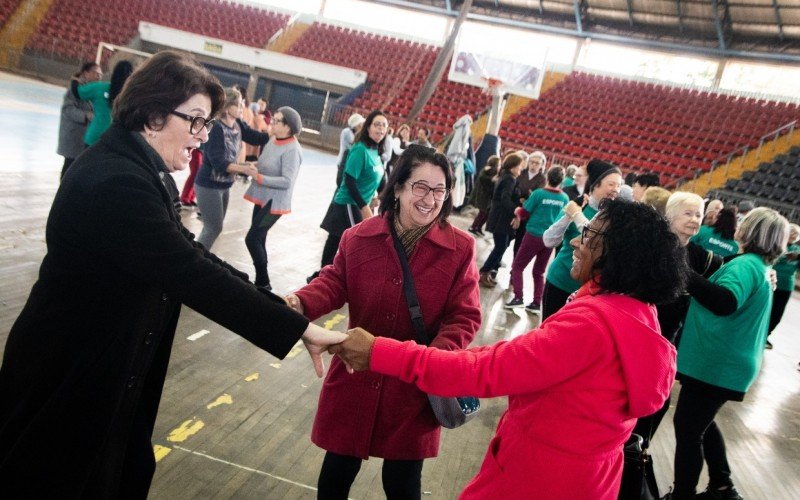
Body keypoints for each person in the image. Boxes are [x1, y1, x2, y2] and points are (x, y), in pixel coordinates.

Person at [0, 50, 345, 498]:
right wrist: (295, 327)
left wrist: (280, 309)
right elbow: (189, 272)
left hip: (106, 383)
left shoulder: (143, 171)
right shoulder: (115, 183)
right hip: (66, 385)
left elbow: (190, 254)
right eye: (196, 121)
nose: (202, 136)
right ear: (154, 114)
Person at [332, 199, 686, 499]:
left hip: (537, 478)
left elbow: (484, 371)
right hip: (590, 478)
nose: (577, 242)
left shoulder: (592, 326)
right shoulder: (640, 314)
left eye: (590, 235)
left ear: (619, 254)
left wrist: (379, 351)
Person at [286, 144, 481, 499]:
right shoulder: (358, 237)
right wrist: (300, 301)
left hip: (413, 388)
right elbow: (334, 282)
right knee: (336, 474)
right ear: (400, 187)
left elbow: (464, 316)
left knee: (403, 484)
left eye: (440, 190)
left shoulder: (460, 248)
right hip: (357, 376)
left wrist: (432, 360)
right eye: (420, 187)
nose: (430, 198)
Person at [671, 207, 789, 500]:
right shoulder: (754, 265)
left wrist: (682, 270)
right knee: (701, 424)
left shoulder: (746, 266)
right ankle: (722, 485)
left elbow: (724, 301)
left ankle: (683, 494)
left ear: (752, 231)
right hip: (725, 362)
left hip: (717, 363)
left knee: (688, 431)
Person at [309, 110, 389, 282]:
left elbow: (381, 181)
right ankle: (338, 279)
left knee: (335, 239)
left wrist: (378, 197)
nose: (380, 128)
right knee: (359, 240)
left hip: (359, 203)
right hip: (348, 202)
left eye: (384, 125)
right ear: (368, 127)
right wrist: (364, 206)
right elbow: (350, 180)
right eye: (377, 124)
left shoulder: (376, 152)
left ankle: (320, 277)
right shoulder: (360, 150)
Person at [541, 159, 622, 319]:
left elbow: (595, 240)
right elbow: (548, 241)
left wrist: (577, 216)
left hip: (590, 291)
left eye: (619, 185)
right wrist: (567, 216)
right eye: (611, 184)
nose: (616, 190)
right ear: (596, 184)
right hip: (560, 280)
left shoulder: (614, 217)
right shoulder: (578, 205)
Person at [193, 87, 268, 250]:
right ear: (227, 107)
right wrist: (245, 169)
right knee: (213, 228)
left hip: (224, 185)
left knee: (215, 228)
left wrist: (273, 135)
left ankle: (198, 257)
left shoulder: (238, 124)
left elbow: (255, 137)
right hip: (208, 185)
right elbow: (219, 163)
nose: (242, 108)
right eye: (239, 105)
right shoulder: (216, 128)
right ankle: (194, 259)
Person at [243, 107, 303, 290]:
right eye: (273, 120)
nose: (272, 123)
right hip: (263, 198)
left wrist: (259, 177)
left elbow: (286, 181)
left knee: (252, 239)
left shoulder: (293, 149)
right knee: (259, 239)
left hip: (274, 204)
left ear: (288, 127)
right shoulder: (272, 140)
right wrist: (250, 166)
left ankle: (263, 281)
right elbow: (264, 164)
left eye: (277, 121)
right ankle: (262, 281)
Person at [506, 166, 568, 313]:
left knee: (518, 266)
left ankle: (518, 297)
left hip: (533, 235)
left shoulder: (539, 194)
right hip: (549, 239)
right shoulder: (564, 198)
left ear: (547, 177)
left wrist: (517, 211)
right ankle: (536, 302)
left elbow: (525, 213)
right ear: (561, 180)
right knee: (539, 271)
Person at [478, 152, 524, 287]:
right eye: (519, 167)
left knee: (501, 247)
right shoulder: (509, 179)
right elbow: (505, 198)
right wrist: (516, 210)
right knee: (500, 247)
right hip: (501, 218)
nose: (520, 170)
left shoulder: (506, 176)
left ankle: (486, 272)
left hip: (501, 217)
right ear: (513, 167)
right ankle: (484, 272)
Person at [73, 59, 134, 147]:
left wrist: (74, 80)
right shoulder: (132, 96)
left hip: (94, 136)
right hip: (116, 140)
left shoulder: (99, 87)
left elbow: (77, 92)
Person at [58, 62, 102, 179]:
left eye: (100, 75)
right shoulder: (75, 89)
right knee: (69, 167)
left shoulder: (94, 90)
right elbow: (67, 109)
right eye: (96, 73)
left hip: (86, 136)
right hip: (75, 134)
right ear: (86, 73)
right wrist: (86, 115)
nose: (99, 77)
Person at [767, 223, 799, 348]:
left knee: (777, 314)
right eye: (792, 231)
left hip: (787, 286)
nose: (794, 235)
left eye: (797, 233)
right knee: (766, 311)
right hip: (773, 282)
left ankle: (766, 335)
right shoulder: (777, 244)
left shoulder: (798, 250)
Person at [513, 151, 547, 255]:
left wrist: (528, 198)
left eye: (537, 163)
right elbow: (514, 188)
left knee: (519, 241)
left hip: (528, 212)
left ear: (542, 165)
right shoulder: (521, 172)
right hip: (515, 206)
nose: (533, 164)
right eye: (532, 162)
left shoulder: (542, 179)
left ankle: (514, 264)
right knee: (507, 237)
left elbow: (538, 196)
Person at [467, 155, 500, 236]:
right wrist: (492, 179)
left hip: (486, 196)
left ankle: (478, 227)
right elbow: (484, 180)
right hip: (485, 196)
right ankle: (474, 227)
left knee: (485, 213)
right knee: (483, 213)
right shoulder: (491, 170)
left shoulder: (486, 169)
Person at [335, 113, 365, 186]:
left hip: (349, 162)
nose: (362, 126)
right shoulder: (347, 132)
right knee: (341, 184)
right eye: (360, 124)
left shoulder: (354, 133)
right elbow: (354, 144)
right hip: (343, 161)